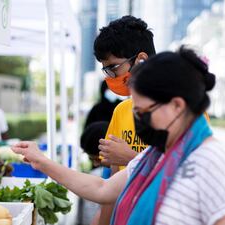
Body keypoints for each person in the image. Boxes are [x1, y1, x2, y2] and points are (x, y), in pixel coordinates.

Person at [12, 47, 225, 225]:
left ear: (177, 105)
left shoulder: (214, 163)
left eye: (145, 112)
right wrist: (41, 160)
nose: (139, 121)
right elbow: (101, 188)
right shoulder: (156, 154)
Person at [93, 15, 156, 224]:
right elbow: (109, 185)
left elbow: (187, 178)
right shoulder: (121, 111)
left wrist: (130, 157)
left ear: (141, 59)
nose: (110, 78)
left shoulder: (183, 111)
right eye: (105, 70)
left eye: (113, 68)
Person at [78, 121, 110, 225]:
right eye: (91, 159)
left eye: (97, 159)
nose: (96, 164)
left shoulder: (119, 173)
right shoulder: (103, 171)